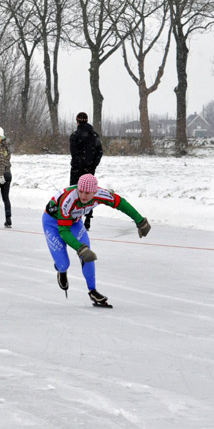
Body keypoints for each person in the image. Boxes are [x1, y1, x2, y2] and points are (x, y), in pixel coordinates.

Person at [43, 173, 151, 307]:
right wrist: (79, 248)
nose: (83, 196)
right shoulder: (68, 199)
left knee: (87, 254)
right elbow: (64, 231)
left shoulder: (101, 194)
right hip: (52, 223)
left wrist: (140, 221)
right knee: (65, 263)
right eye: (80, 191)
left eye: (87, 193)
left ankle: (92, 290)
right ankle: (61, 269)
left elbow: (120, 203)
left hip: (75, 222)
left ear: (95, 192)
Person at [69, 112, 103, 230]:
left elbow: (74, 154)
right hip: (90, 170)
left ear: (77, 121)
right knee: (89, 193)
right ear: (87, 120)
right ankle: (88, 219)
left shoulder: (74, 136)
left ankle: (74, 217)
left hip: (77, 170)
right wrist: (92, 166)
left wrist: (81, 166)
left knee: (75, 191)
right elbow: (99, 152)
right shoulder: (95, 136)